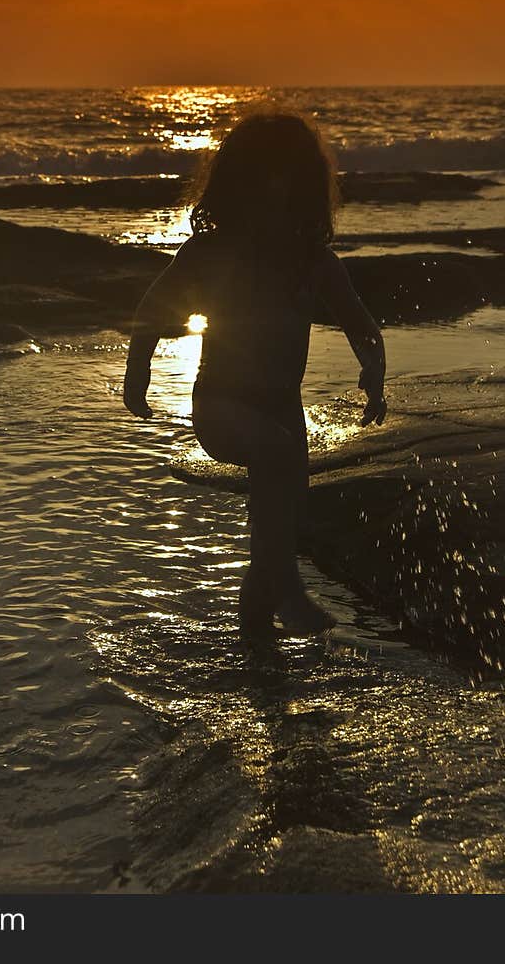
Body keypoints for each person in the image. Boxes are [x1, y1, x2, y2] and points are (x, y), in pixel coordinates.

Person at [123, 104, 387, 638]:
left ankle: (258, 636)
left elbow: (361, 324)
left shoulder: (313, 261)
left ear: (304, 190)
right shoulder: (212, 252)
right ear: (238, 185)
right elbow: (151, 310)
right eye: (261, 180)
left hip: (283, 411)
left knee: (281, 521)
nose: (273, 193)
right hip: (221, 407)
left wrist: (374, 372)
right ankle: (288, 592)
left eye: (286, 181)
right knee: (275, 455)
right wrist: (138, 376)